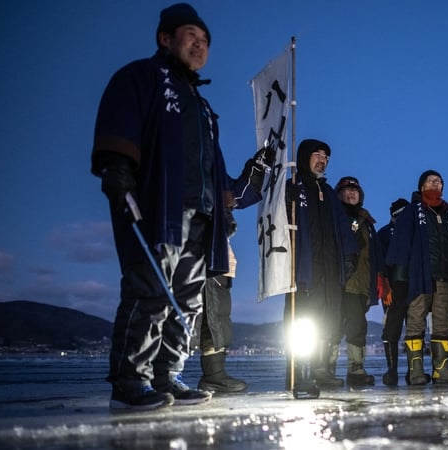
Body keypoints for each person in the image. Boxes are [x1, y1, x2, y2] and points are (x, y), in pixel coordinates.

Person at [92, 3, 252, 410]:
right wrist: (117, 169)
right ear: (165, 38)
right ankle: (130, 381)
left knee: (188, 299)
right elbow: (120, 125)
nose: (199, 46)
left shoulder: (201, 105)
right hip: (160, 207)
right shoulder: (142, 77)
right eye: (191, 37)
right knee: (150, 291)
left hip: (201, 214)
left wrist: (222, 209)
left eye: (205, 42)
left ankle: (168, 375)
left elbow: (213, 166)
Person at [284, 139, 358, 390]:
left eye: (326, 156)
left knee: (327, 320)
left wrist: (349, 257)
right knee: (303, 321)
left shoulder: (328, 193)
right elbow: (277, 221)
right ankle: (298, 371)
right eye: (317, 154)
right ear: (305, 157)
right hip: (304, 269)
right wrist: (285, 200)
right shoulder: (293, 188)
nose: (322, 160)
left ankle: (320, 368)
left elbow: (343, 228)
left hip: (329, 271)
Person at [196, 152, 272, 393]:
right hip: (188, 237)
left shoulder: (212, 167)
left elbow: (239, 195)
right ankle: (163, 374)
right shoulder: (174, 156)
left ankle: (214, 373)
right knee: (182, 311)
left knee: (217, 311)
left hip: (217, 242)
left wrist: (257, 169)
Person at [386, 170, 448, 385]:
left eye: (440, 181)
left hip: (446, 277)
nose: (436, 184)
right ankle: (416, 371)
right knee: (416, 322)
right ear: (421, 187)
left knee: (442, 324)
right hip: (419, 277)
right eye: (431, 181)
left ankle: (442, 369)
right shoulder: (412, 211)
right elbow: (400, 245)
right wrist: (399, 278)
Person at [334, 176, 387, 387]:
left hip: (360, 285)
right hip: (339, 283)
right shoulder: (336, 216)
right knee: (333, 326)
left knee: (358, 326)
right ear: (338, 195)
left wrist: (380, 279)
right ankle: (326, 369)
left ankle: (356, 369)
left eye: (355, 190)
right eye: (346, 190)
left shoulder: (367, 221)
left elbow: (374, 254)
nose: (351, 193)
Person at [378, 198, 424, 386]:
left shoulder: (417, 232)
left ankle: (413, 371)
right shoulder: (384, 234)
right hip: (393, 288)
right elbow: (379, 262)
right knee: (391, 330)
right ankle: (392, 370)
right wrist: (384, 285)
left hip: (413, 286)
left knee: (415, 328)